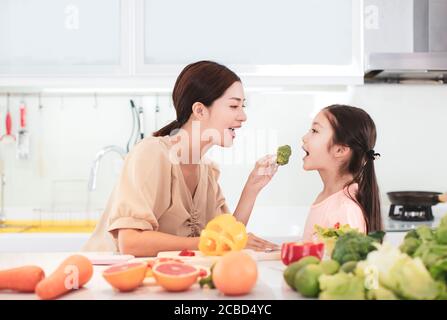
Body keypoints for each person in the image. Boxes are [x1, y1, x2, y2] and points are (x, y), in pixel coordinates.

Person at [84, 61, 279, 256]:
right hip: (103, 278)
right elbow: (131, 242)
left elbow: (225, 237)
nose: (243, 116)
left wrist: (252, 188)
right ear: (200, 110)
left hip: (157, 279)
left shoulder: (208, 171)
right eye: (234, 105)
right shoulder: (152, 154)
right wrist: (211, 240)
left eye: (242, 106)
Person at [301, 104, 383, 241]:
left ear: (340, 150)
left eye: (315, 131)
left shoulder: (345, 209)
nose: (304, 137)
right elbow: (312, 249)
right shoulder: (328, 196)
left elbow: (342, 261)